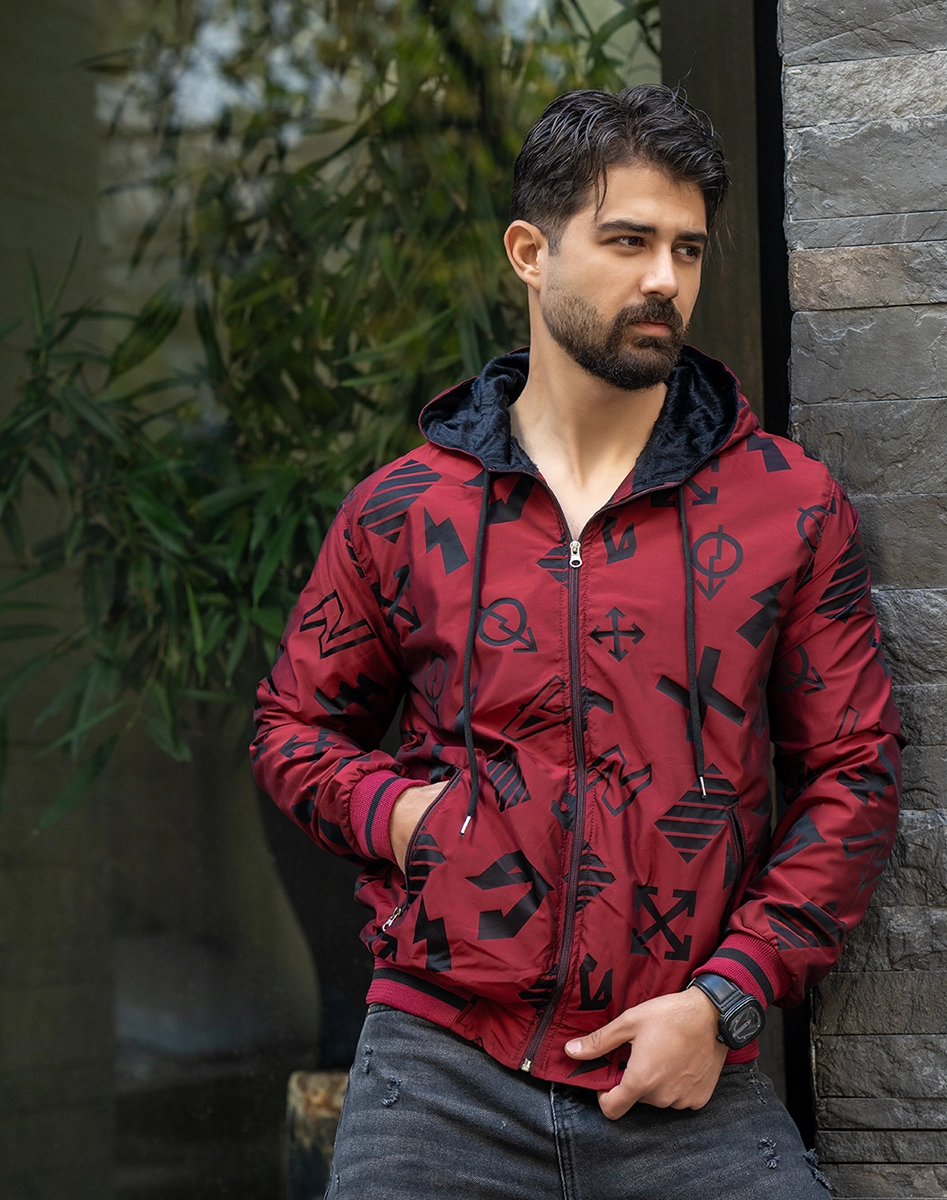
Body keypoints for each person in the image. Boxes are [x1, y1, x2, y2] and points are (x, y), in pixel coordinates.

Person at [252, 84, 902, 1199]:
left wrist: (727, 999)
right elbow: (292, 729)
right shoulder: (404, 511)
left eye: (687, 249)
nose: (665, 280)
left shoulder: (787, 505)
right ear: (530, 252)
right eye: (628, 241)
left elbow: (855, 772)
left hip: (686, 1078)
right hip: (439, 1074)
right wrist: (407, 818)